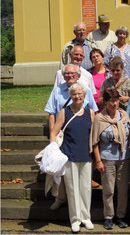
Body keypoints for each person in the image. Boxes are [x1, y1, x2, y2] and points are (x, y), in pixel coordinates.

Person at [45, 64, 98, 205]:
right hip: (62, 136)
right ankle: (60, 198)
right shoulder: (57, 90)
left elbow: (93, 112)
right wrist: (53, 139)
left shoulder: (84, 90)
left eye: (72, 73)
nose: (69, 75)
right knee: (61, 169)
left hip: (81, 138)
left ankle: (80, 205)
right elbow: (51, 113)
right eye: (66, 73)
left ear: (78, 75)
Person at [50, 83, 95, 233]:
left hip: (86, 156)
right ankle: (75, 219)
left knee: (85, 189)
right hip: (69, 156)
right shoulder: (64, 112)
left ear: (84, 95)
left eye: (79, 94)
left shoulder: (90, 112)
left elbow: (94, 136)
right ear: (70, 95)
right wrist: (53, 150)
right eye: (74, 94)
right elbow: (54, 133)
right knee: (72, 189)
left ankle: (86, 217)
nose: (77, 96)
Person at [91, 89, 130, 230]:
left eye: (116, 100)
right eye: (111, 101)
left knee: (123, 189)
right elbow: (94, 142)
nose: (114, 103)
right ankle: (108, 216)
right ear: (106, 102)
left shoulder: (124, 115)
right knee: (108, 189)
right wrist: (98, 161)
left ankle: (121, 215)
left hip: (124, 158)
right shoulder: (99, 118)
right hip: (107, 159)